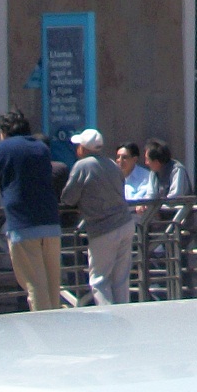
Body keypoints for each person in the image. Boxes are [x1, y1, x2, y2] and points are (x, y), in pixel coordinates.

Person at [0, 110, 63, 311]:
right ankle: (56, 327)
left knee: (34, 284)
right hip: (51, 222)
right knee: (52, 284)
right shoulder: (41, 148)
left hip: (23, 224)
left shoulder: (3, 148)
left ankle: (45, 332)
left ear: (4, 131)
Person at [61, 129, 134, 306]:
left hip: (103, 229)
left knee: (99, 280)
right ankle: (124, 317)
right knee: (120, 279)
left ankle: (108, 321)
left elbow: (68, 198)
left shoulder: (82, 166)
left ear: (84, 149)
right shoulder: (112, 165)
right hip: (125, 223)